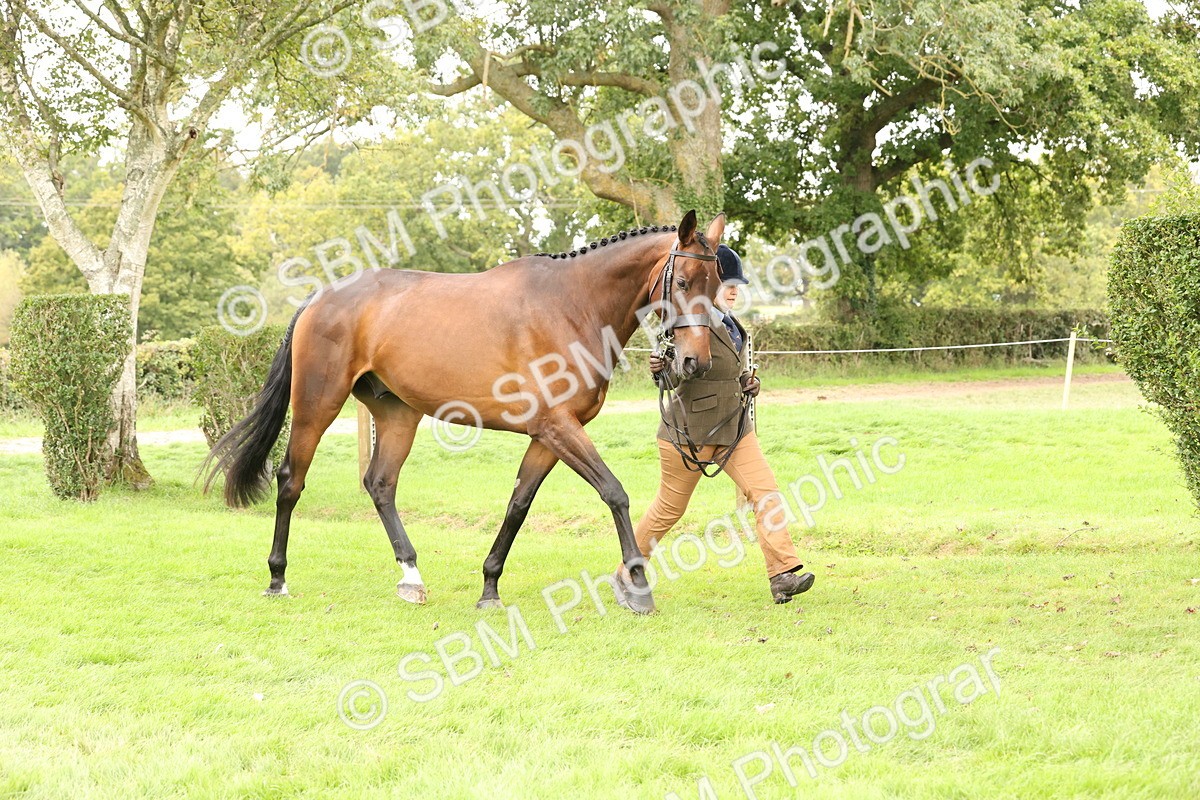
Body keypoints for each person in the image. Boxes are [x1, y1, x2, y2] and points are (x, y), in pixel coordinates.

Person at [615, 244, 816, 607]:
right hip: (688, 433)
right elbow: (675, 376)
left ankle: (783, 573)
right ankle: (627, 573)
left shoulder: (734, 324)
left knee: (766, 493)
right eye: (728, 284)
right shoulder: (689, 322)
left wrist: (748, 383)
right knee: (668, 511)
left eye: (738, 285)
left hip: (734, 429)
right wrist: (663, 370)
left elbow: (733, 371)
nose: (735, 291)